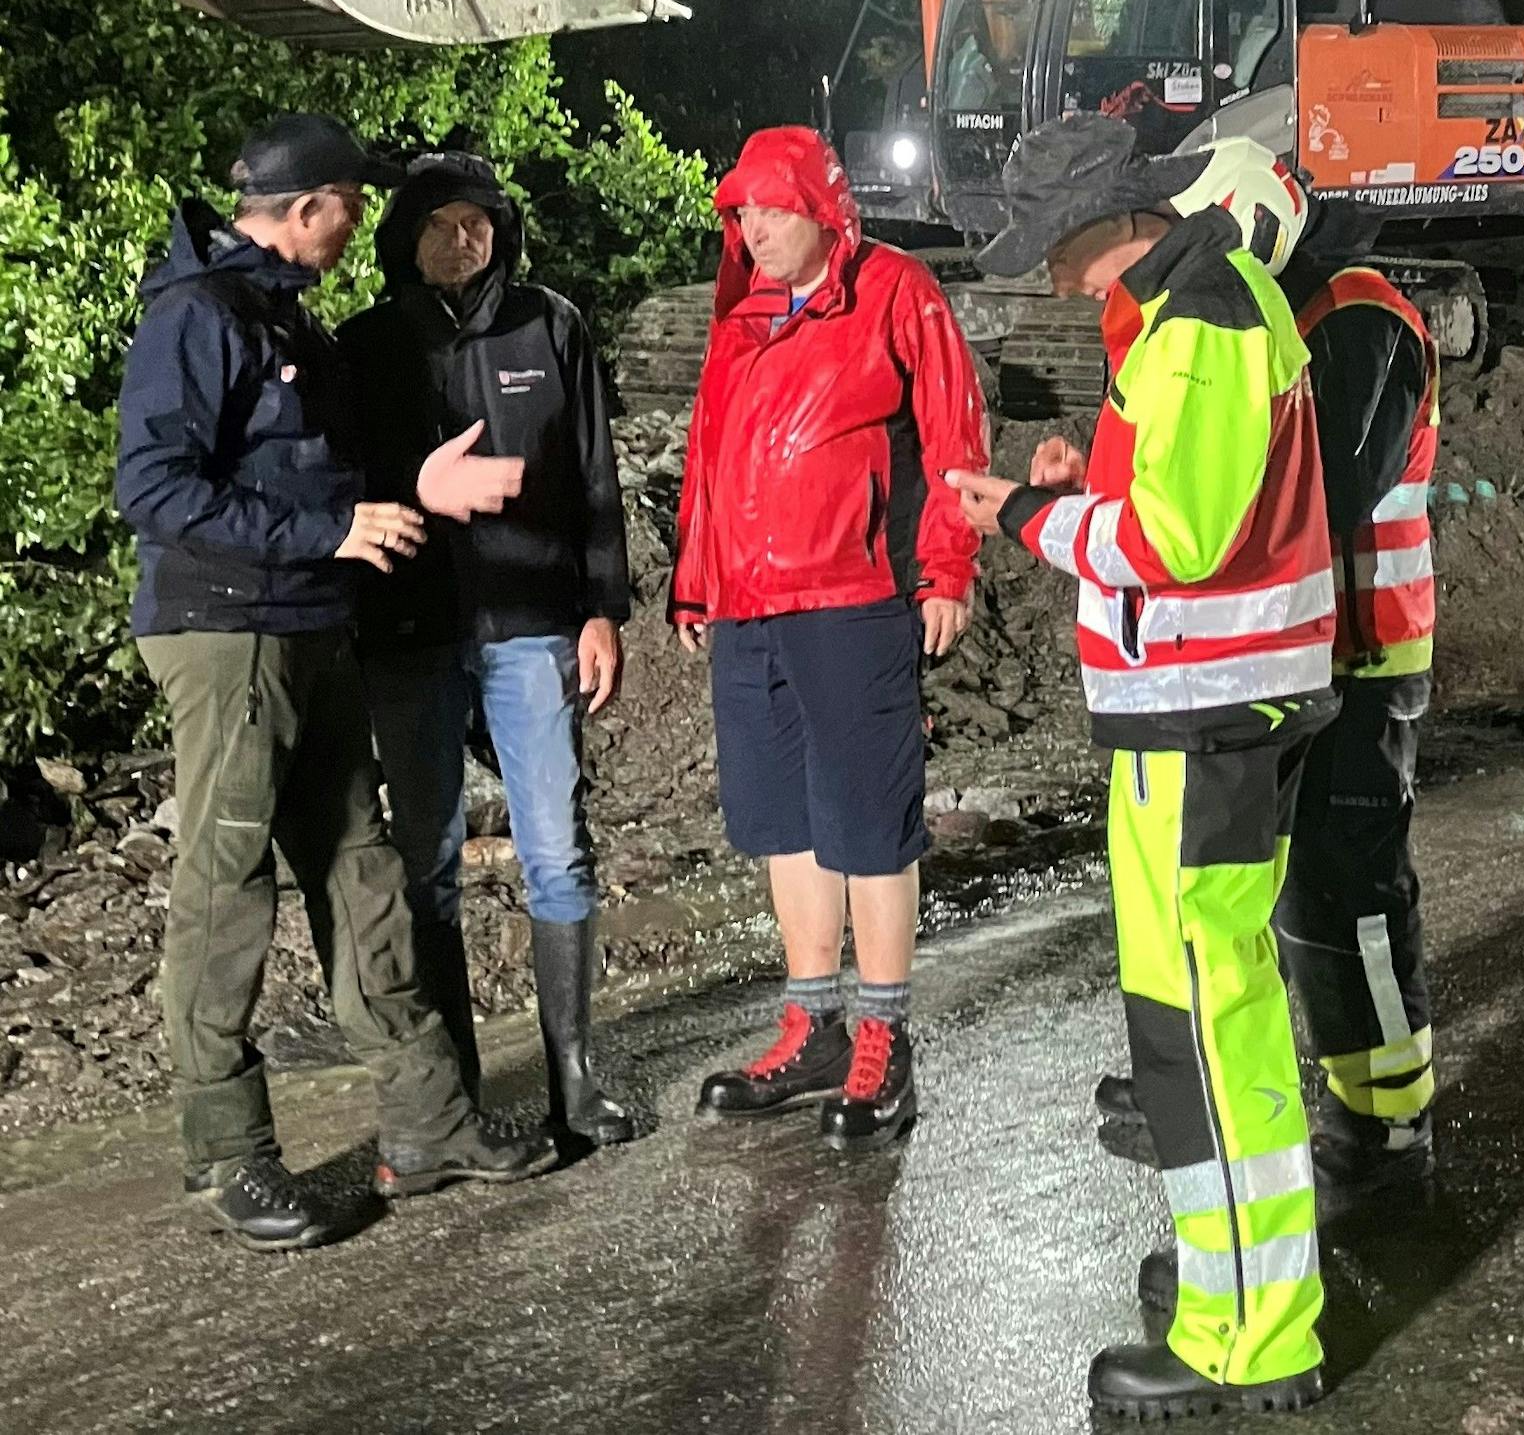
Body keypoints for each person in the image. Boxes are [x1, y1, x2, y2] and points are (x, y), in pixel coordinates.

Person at [947, 118, 1336, 1421]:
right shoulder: (1185, 306)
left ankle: (1258, 1332)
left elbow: (1177, 534)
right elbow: (1173, 492)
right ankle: (1232, 1284)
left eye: (1044, 246)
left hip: (1205, 715)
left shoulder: (1205, 315)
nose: (1040, 274)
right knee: (1187, 1021)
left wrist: (1021, 508)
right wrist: (1079, 473)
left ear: (1102, 223)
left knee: (1212, 1026)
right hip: (1191, 711)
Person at [116, 115, 550, 1251]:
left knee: (361, 874)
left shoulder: (274, 311)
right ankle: (226, 1155)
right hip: (229, 637)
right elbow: (155, 486)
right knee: (228, 886)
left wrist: (411, 483)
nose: (362, 224)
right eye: (353, 205)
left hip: (306, 627)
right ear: (308, 206)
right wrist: (330, 524)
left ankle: (431, 1121)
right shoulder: (197, 316)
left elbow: (306, 476)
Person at [1098, 209, 1439, 1219]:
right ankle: (1235, 1086)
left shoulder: (1355, 315)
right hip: (1287, 660)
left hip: (1360, 654)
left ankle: (1386, 1125)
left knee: (1347, 896)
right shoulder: (1282, 315)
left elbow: (1315, 491)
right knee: (1265, 900)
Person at [671, 126, 987, 1152]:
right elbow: (709, 459)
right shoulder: (740, 320)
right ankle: (811, 1024)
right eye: (741, 213)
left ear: (822, 208)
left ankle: (884, 1038)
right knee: (782, 821)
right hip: (750, 604)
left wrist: (946, 567)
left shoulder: (892, 289)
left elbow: (950, 434)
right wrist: (694, 583)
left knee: (864, 818)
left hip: (853, 593)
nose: (754, 229)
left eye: (772, 208)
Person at [339, 150, 634, 1146]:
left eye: (478, 223)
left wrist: (602, 608)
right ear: (404, 238)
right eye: (440, 224)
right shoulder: (367, 346)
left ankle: (574, 1080)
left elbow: (594, 475)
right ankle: (455, 1096)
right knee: (425, 860)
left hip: (532, 627)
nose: (462, 239)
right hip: (409, 634)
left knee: (557, 847)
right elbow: (337, 490)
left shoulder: (549, 326)